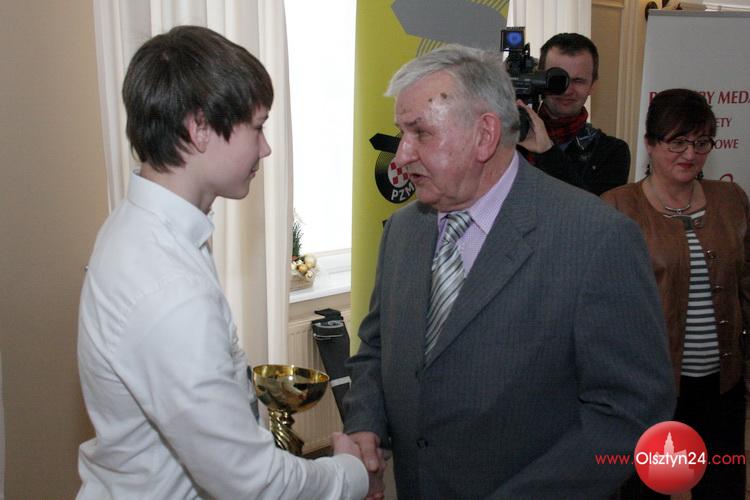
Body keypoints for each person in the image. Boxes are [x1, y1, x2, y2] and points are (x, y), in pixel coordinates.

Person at [342, 44, 675, 499]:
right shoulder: (403, 230)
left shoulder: (596, 238)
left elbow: (629, 411)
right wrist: (365, 424)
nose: (400, 156)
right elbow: (376, 346)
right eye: (403, 133)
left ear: (485, 135)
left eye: (420, 133)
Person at [76, 26, 368, 500]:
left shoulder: (150, 231)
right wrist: (348, 474)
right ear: (200, 128)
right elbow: (250, 481)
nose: (265, 148)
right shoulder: (166, 283)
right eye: (258, 126)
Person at [602, 88, 748, 499]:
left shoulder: (731, 200)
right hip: (651, 388)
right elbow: (603, 309)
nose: (690, 154)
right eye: (678, 142)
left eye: (701, 142)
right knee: (646, 489)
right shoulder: (618, 207)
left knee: (723, 485)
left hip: (722, 385)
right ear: (650, 143)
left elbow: (747, 289)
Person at [517, 33, 630, 196]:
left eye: (578, 81)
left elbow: (593, 209)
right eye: (557, 79)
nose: (567, 90)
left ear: (592, 86)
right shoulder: (511, 137)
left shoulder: (611, 152)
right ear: (539, 80)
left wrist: (548, 151)